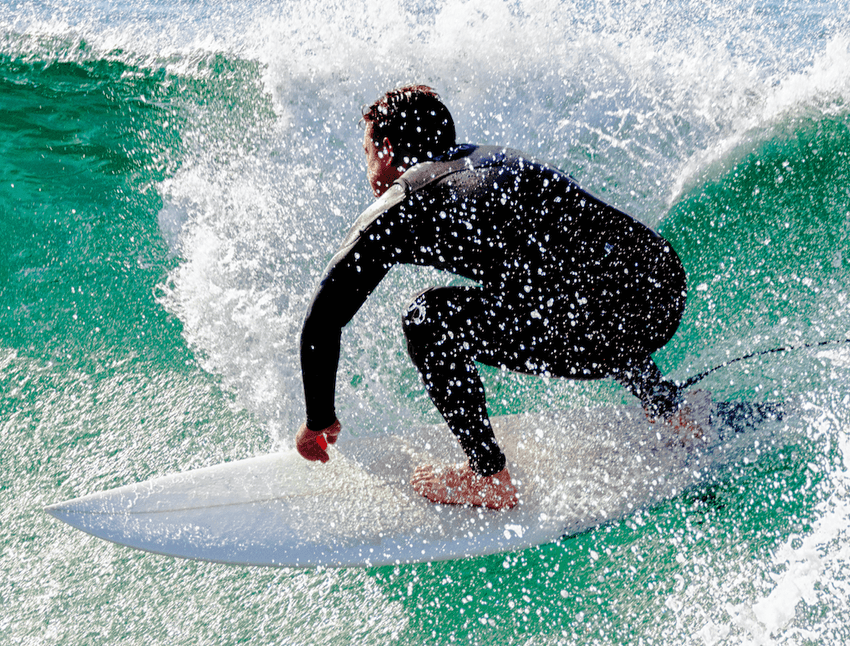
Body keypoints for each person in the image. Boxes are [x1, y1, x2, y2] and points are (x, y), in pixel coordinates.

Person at [294, 85, 702, 510]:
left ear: (387, 148)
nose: (367, 167)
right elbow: (581, 264)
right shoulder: (492, 161)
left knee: (426, 317)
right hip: (662, 291)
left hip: (600, 324)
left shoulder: (403, 202)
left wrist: (317, 420)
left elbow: (322, 320)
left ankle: (488, 476)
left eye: (366, 153)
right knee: (549, 274)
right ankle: (669, 410)